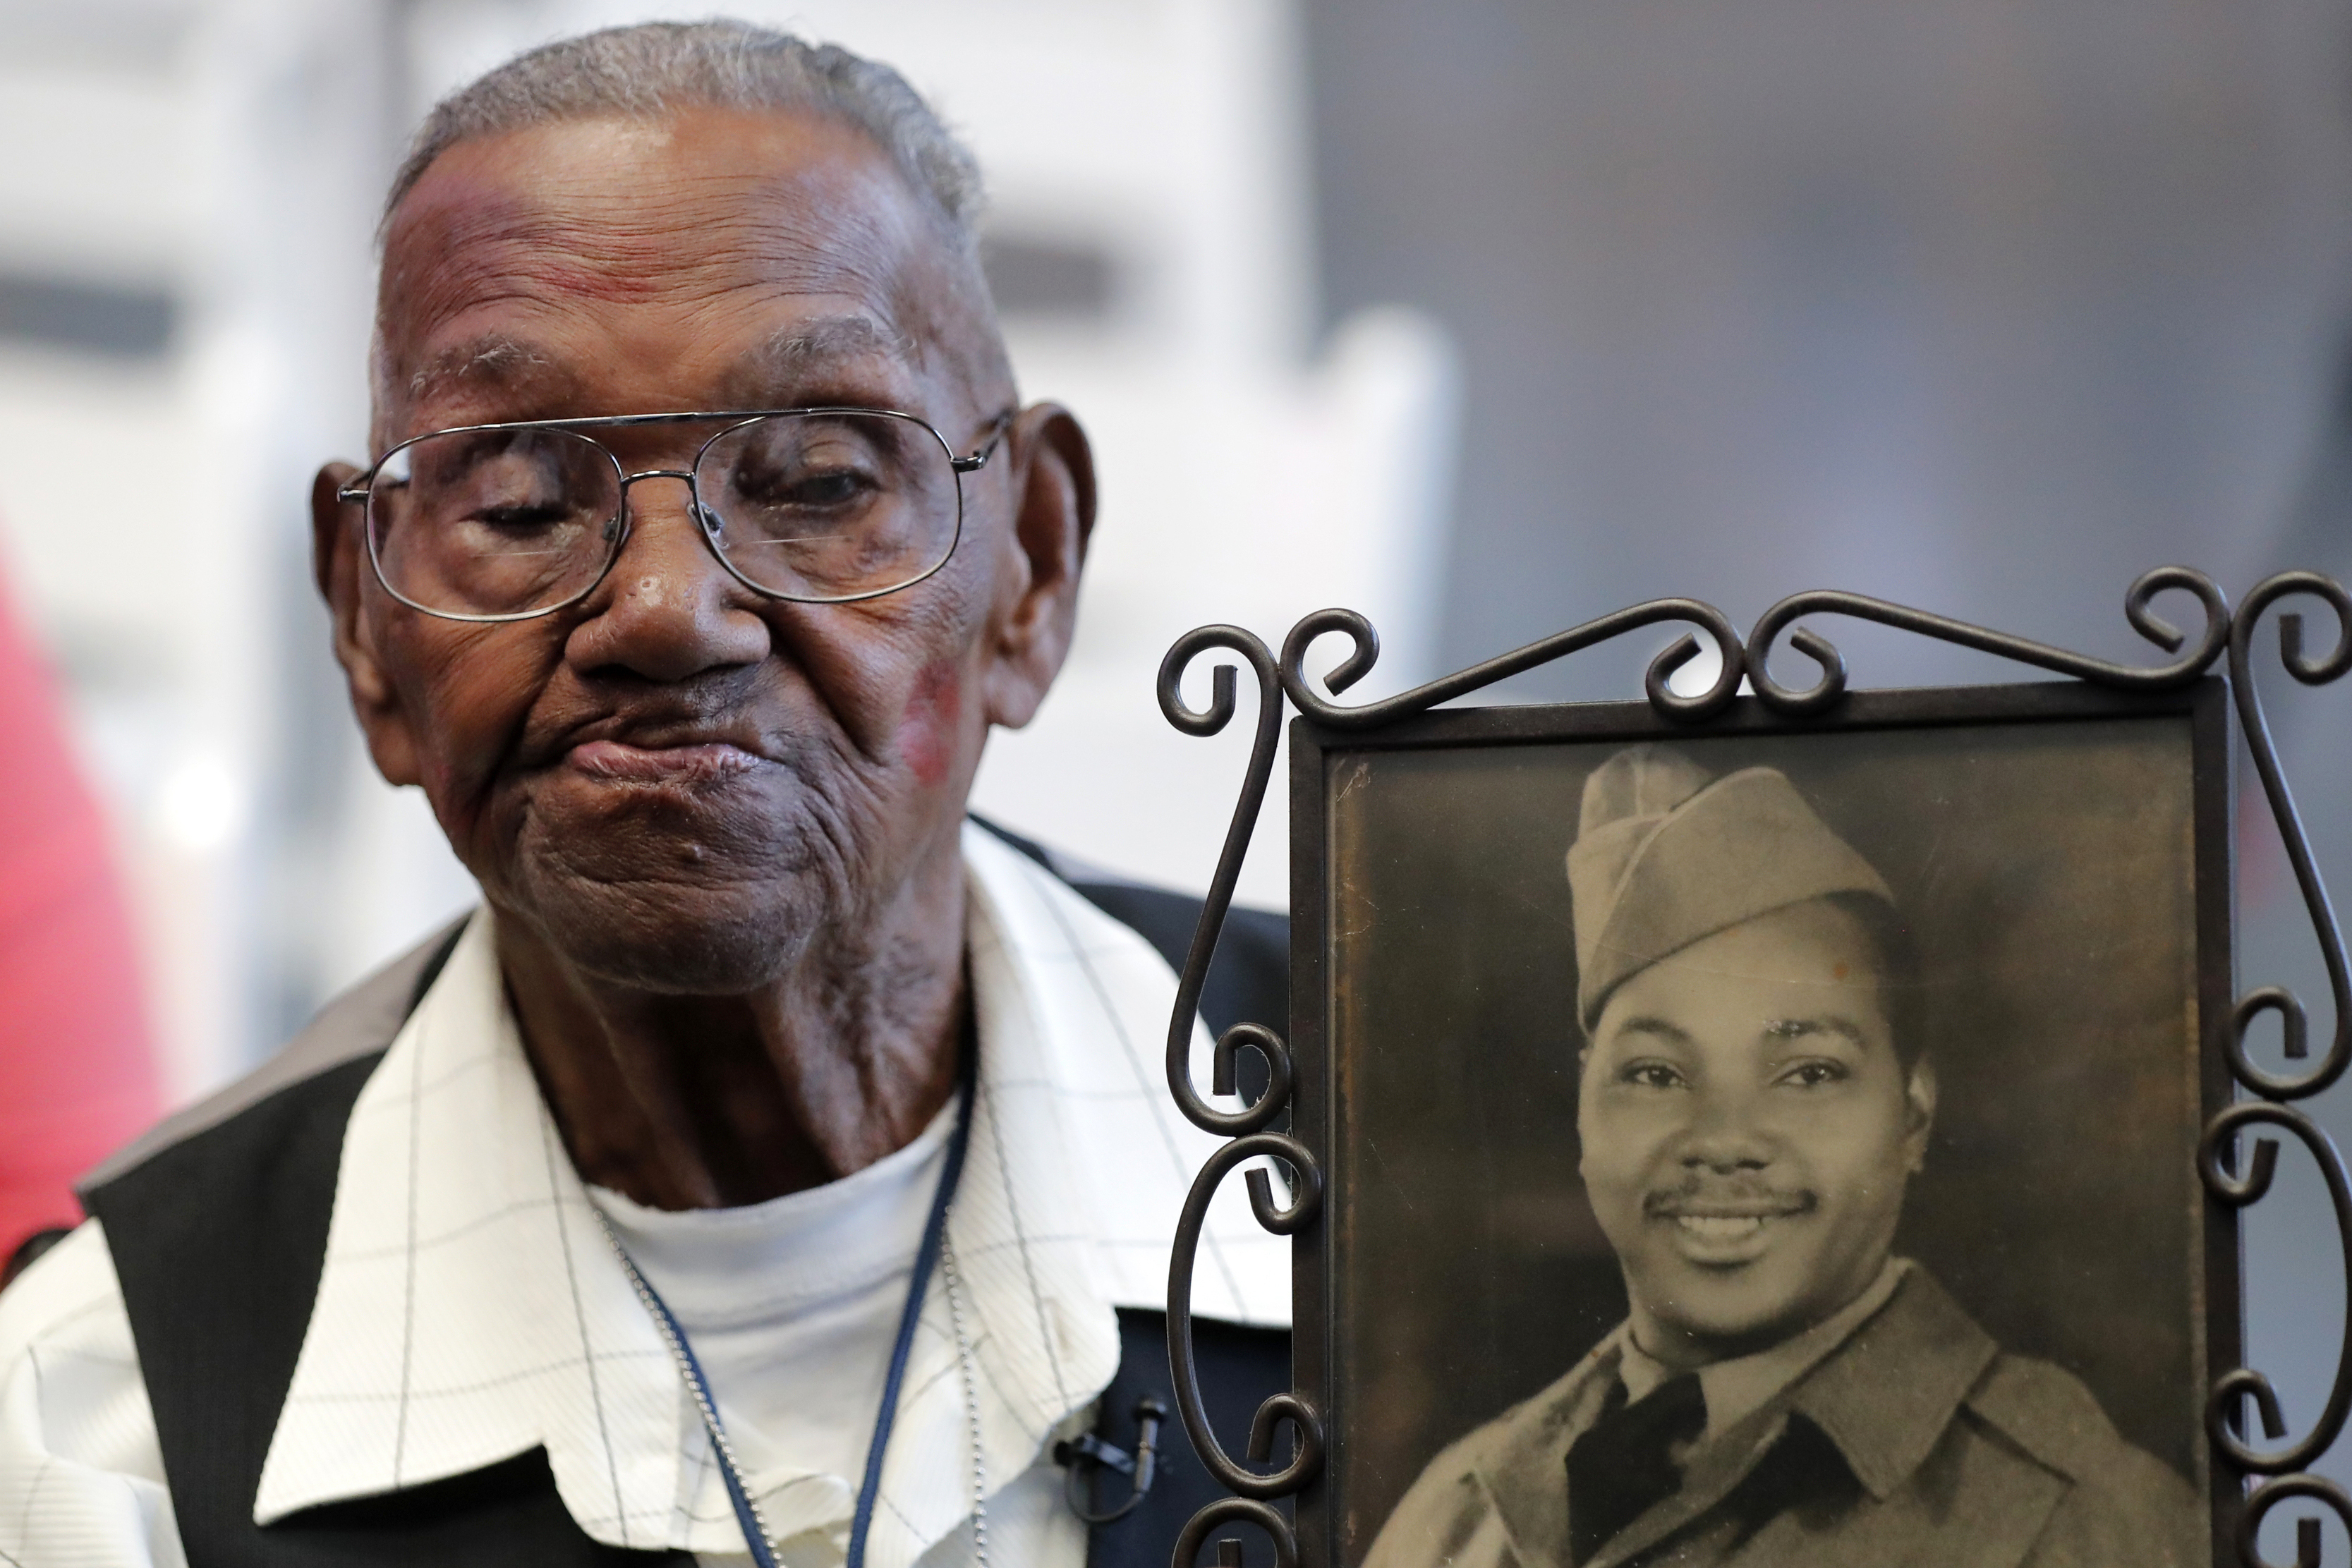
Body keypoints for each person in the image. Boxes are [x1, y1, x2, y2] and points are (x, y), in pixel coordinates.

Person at [0, 22, 1290, 1568]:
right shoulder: (111, 1421)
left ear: (1032, 566)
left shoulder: (1454, 1151)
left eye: (817, 479)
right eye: (523, 500)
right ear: (362, 624)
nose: (669, 611)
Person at [1363, 744, 2202, 1568]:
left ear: (1911, 1116)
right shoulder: (1452, 1516)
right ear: (1586, 1108)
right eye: (1655, 1073)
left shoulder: (2083, 1526)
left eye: (1807, 1074)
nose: (1723, 1141)